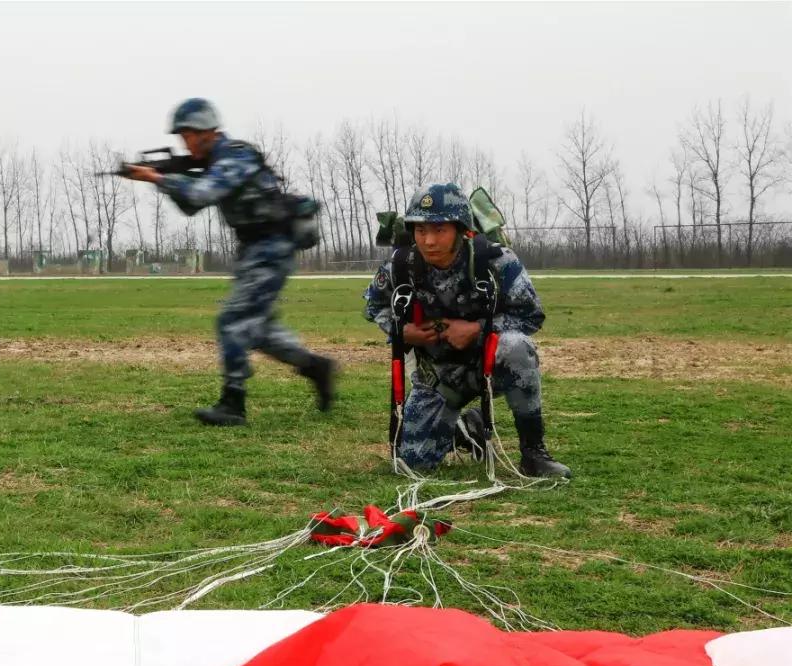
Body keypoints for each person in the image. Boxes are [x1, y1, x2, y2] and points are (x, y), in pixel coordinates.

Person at [125, 98, 335, 426]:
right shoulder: (213, 162)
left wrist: (157, 178)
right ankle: (315, 367)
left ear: (208, 131)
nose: (186, 142)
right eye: (182, 137)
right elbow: (190, 207)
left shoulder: (237, 155)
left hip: (272, 246)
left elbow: (201, 194)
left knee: (231, 321)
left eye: (189, 135)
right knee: (257, 329)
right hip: (254, 249)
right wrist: (165, 179)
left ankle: (233, 403)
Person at [363, 182, 571, 478]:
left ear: (461, 230)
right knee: (412, 464)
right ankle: (466, 427)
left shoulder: (495, 261)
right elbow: (374, 306)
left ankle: (533, 454)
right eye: (420, 231)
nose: (429, 241)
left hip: (491, 366)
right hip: (438, 376)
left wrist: (477, 329)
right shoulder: (401, 265)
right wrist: (402, 331)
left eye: (439, 230)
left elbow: (530, 316)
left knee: (517, 347)